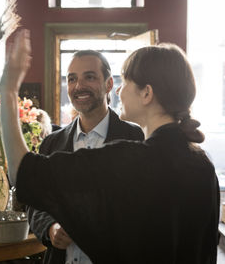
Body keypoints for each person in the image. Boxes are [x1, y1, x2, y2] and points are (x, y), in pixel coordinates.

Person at [0, 30, 220, 264]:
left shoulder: (129, 159)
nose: (119, 90)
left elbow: (23, 173)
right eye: (71, 78)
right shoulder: (202, 163)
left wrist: (9, 90)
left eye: (125, 81)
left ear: (146, 93)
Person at [27, 50, 145, 264]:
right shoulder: (51, 144)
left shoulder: (136, 138)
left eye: (89, 77)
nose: (79, 86)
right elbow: (35, 204)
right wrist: (50, 227)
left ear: (109, 84)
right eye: (72, 79)